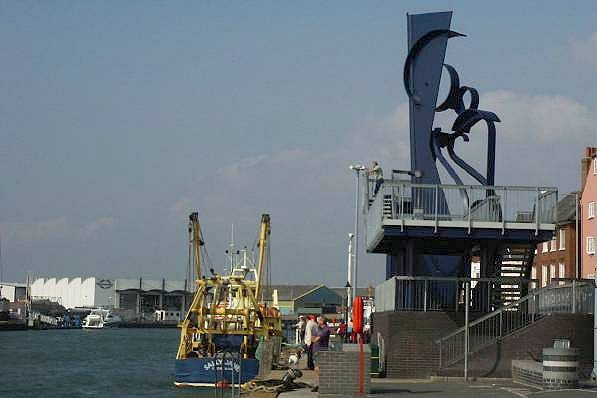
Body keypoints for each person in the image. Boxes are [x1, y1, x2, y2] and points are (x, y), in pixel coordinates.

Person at [311, 316, 331, 392]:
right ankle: (321, 383)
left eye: (318, 320)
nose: (317, 322)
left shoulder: (326, 330)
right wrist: (314, 338)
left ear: (322, 321)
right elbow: (313, 339)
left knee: (318, 369)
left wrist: (315, 338)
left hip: (321, 351)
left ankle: (322, 384)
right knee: (316, 368)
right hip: (315, 350)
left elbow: (316, 339)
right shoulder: (318, 329)